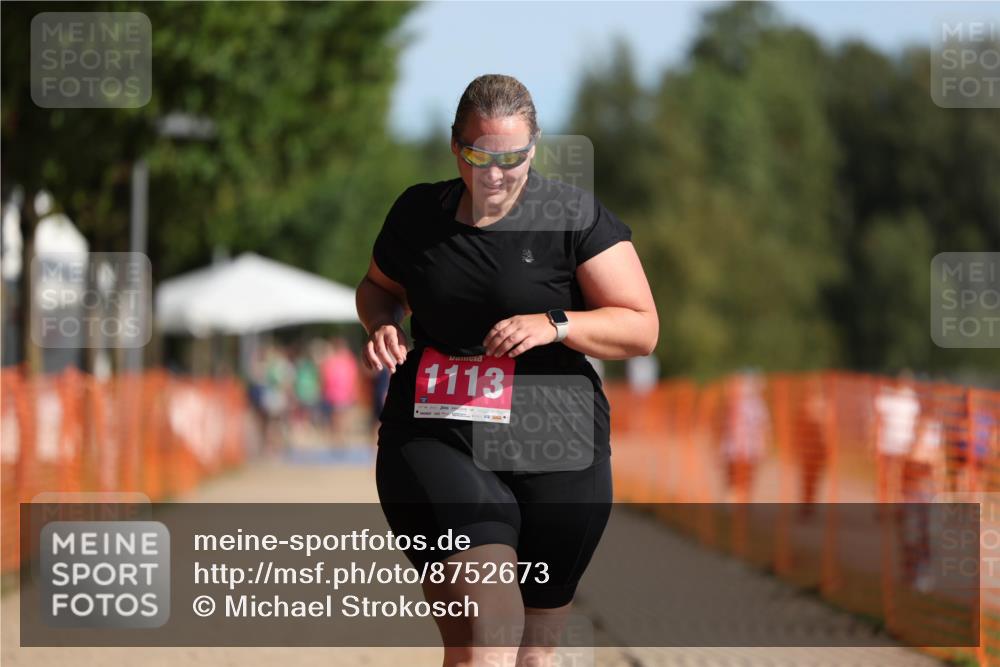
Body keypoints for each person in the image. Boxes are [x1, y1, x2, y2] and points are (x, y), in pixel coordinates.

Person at [355, 74, 658, 666]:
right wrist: (382, 322)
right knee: (487, 628)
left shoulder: (571, 216)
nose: (494, 174)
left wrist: (557, 324)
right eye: (478, 156)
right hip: (440, 435)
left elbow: (642, 327)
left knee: (534, 653)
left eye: (511, 158)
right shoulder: (419, 214)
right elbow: (376, 287)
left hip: (558, 450)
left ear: (534, 148)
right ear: (454, 146)